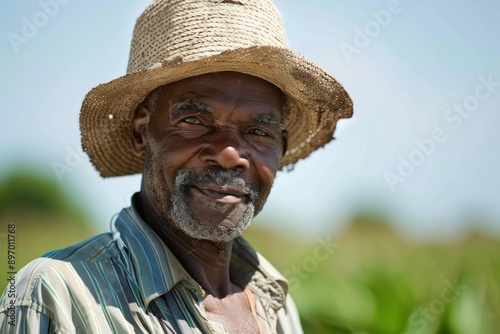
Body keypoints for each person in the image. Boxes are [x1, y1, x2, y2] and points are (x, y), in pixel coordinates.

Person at [0, 0, 352, 332]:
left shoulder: (274, 303)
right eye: (195, 120)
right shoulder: (54, 296)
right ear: (142, 132)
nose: (230, 154)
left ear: (280, 150)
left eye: (257, 131)